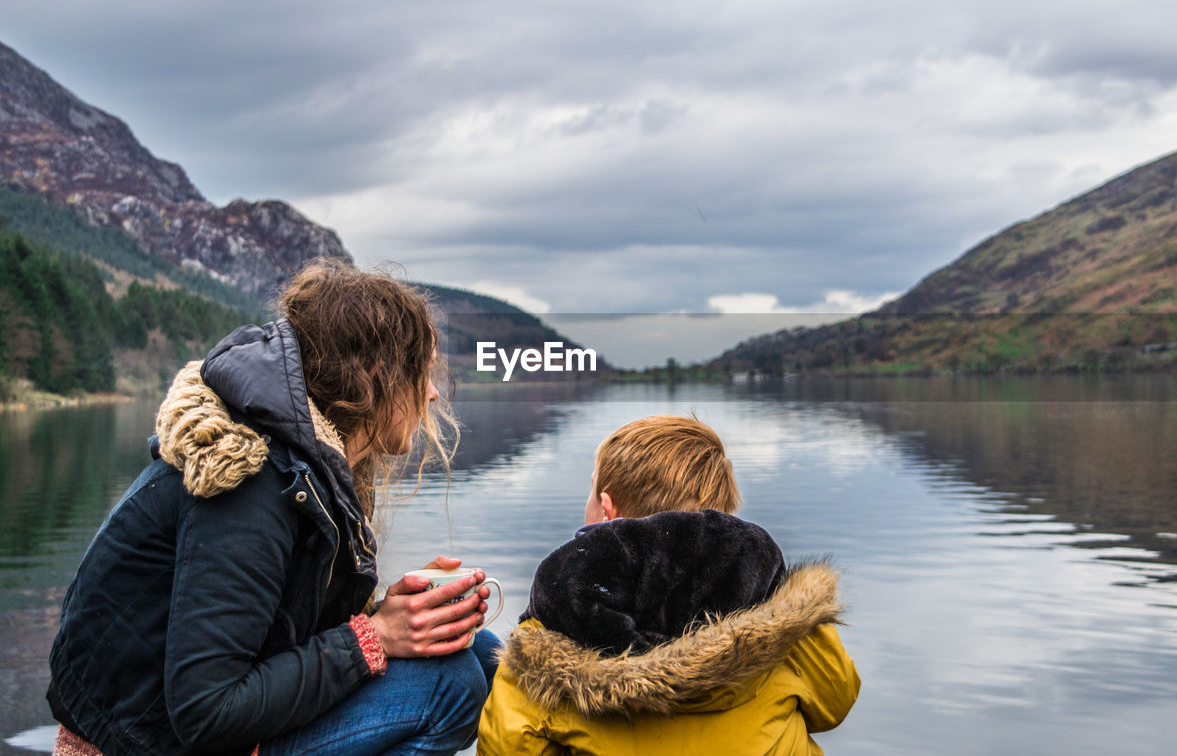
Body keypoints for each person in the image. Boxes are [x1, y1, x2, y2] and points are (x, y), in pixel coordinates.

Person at [47, 260, 498, 756]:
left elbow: (271, 628)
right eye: (422, 373)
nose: (432, 393)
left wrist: (389, 612)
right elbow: (206, 710)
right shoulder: (250, 484)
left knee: (475, 649)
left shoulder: (299, 462)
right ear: (375, 375)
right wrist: (375, 635)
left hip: (178, 732)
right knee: (450, 684)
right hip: (146, 745)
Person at [477, 415, 861, 755]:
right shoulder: (786, 618)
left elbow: (503, 746)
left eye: (590, 490)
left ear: (607, 511)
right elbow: (834, 703)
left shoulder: (545, 637)